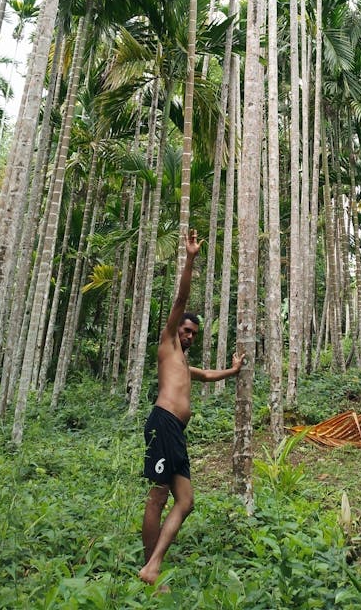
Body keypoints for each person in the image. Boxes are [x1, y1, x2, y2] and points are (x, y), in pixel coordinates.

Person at [139, 228, 244, 590]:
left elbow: (208, 375)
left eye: (193, 335)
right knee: (158, 495)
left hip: (175, 433)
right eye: (185, 331)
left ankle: (153, 564)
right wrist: (190, 259)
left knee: (185, 501)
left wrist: (232, 369)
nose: (188, 336)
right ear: (175, 330)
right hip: (163, 423)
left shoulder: (183, 363)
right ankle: (151, 568)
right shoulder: (167, 346)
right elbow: (181, 300)